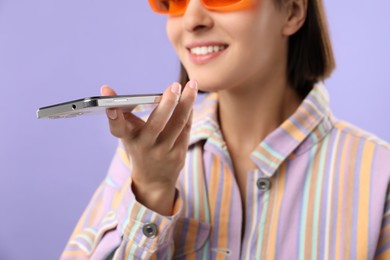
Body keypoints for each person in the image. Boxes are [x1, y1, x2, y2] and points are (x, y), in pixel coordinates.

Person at [61, 0, 390, 259]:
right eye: (174, 0)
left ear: (292, 11)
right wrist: (150, 194)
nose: (192, 20)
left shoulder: (380, 175)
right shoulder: (142, 157)